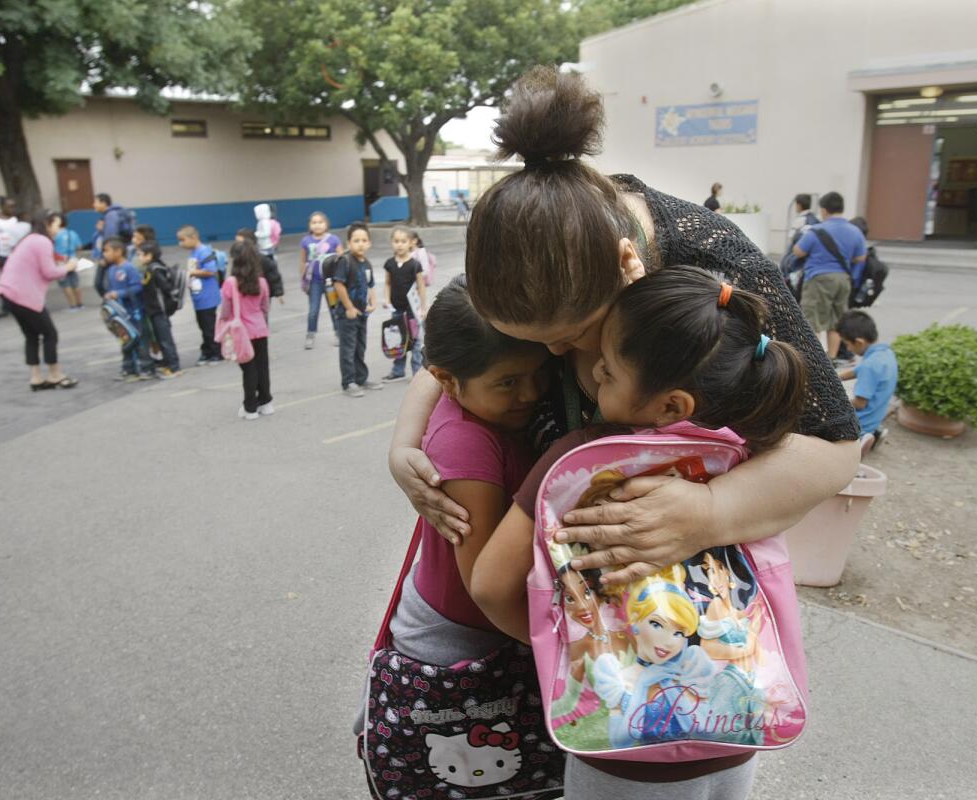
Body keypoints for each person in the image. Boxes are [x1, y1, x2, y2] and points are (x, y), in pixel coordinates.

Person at [387, 68, 859, 788]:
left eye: (573, 338)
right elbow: (462, 357)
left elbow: (834, 444)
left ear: (630, 269)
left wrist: (708, 512)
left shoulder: (711, 266)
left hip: (684, 628)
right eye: (526, 338)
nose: (550, 361)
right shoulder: (527, 242)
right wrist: (406, 436)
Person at [470, 266, 808, 794]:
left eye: (606, 373)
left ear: (672, 404)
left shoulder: (577, 460)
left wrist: (561, 644)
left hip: (617, 740)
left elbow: (490, 583)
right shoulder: (753, 461)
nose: (592, 377)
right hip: (741, 722)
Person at [362, 277, 550, 708]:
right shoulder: (467, 442)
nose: (531, 393)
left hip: (486, 635)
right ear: (447, 380)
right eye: (508, 383)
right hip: (460, 650)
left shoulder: (486, 411)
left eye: (540, 373)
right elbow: (486, 589)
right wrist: (571, 652)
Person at [0, 209, 79, 390]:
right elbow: (49, 272)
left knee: (31, 335)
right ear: (47, 223)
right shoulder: (42, 241)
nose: (59, 229)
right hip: (24, 295)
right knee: (50, 333)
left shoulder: (30, 239)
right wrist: (69, 267)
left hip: (8, 292)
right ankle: (55, 374)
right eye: (57, 225)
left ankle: (36, 378)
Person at [791, 192, 867, 361]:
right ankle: (832, 358)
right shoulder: (855, 231)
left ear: (824, 210)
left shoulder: (817, 230)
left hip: (818, 278)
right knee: (837, 321)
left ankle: (816, 359)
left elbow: (798, 251)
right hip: (843, 279)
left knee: (812, 321)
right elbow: (861, 257)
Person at [217, 240, 273, 419]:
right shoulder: (262, 282)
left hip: (241, 334)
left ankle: (250, 407)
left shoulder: (230, 283)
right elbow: (265, 308)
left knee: (248, 369)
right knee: (262, 367)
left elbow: (225, 311)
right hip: (260, 330)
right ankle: (266, 402)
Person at [835, 310, 897, 454]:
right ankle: (874, 433)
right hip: (876, 416)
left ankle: (860, 440)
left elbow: (860, 403)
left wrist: (836, 403)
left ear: (859, 342)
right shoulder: (885, 353)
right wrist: (837, 377)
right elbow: (859, 369)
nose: (848, 349)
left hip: (861, 422)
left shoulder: (870, 366)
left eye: (847, 344)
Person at [332, 223, 382, 397]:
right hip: (347, 315)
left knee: (360, 347)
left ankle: (361, 378)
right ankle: (348, 382)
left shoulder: (367, 263)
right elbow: (338, 284)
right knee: (348, 348)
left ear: (369, 243)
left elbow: (370, 285)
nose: (360, 244)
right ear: (348, 243)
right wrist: (349, 307)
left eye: (364, 240)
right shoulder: (345, 261)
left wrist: (373, 302)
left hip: (362, 313)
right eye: (356, 240)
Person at [102, 238, 155, 381]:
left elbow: (137, 287)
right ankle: (129, 369)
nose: (104, 254)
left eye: (107, 250)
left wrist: (118, 294)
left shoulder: (129, 268)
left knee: (139, 340)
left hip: (134, 312)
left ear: (118, 251)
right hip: (120, 314)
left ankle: (146, 368)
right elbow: (111, 288)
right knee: (125, 340)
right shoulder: (111, 269)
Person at [382, 226, 428, 383]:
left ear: (410, 243)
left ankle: (417, 373)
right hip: (397, 310)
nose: (399, 244)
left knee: (415, 342)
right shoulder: (389, 264)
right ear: (391, 243)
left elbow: (421, 286)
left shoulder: (415, 264)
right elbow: (387, 283)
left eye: (403, 241)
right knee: (398, 340)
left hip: (412, 311)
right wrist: (386, 300)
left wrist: (423, 307)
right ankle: (398, 370)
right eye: (396, 241)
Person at [177, 225, 223, 365]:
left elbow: (210, 271)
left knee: (209, 326)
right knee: (203, 326)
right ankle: (207, 351)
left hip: (207, 297)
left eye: (183, 240)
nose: (181, 244)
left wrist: (190, 273)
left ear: (194, 237)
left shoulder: (204, 252)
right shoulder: (194, 252)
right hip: (199, 298)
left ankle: (216, 352)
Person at [137, 241, 181, 379]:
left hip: (159, 310)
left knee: (165, 339)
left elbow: (166, 288)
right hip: (153, 310)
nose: (138, 257)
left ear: (149, 255)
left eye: (140, 254)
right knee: (160, 338)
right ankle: (167, 363)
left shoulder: (154, 269)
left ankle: (174, 366)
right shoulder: (151, 268)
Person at [300, 211, 343, 349]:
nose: (317, 225)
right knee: (313, 310)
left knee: (334, 308)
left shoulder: (333, 240)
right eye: (314, 222)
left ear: (326, 224)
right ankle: (310, 334)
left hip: (330, 282)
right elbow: (303, 261)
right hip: (315, 282)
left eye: (320, 222)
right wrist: (303, 280)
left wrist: (342, 279)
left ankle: (338, 333)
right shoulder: (306, 241)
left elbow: (342, 260)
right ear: (309, 225)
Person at [0, 196, 26, 318]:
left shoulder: (16, 219)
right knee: (6, 282)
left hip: (18, 255)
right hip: (2, 255)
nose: (13, 209)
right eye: (9, 206)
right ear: (1, 206)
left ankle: (23, 304)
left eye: (14, 206)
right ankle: (6, 307)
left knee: (21, 280)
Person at [235, 228, 284, 306]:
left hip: (261, 295)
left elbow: (273, 275)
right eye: (236, 243)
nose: (237, 245)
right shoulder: (238, 259)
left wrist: (278, 292)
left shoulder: (262, 259)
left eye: (240, 243)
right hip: (245, 295)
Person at [53, 213, 84, 311]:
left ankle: (72, 305)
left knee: (65, 284)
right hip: (72, 260)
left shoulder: (55, 235)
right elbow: (79, 246)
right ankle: (80, 304)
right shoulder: (72, 233)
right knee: (75, 283)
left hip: (60, 262)